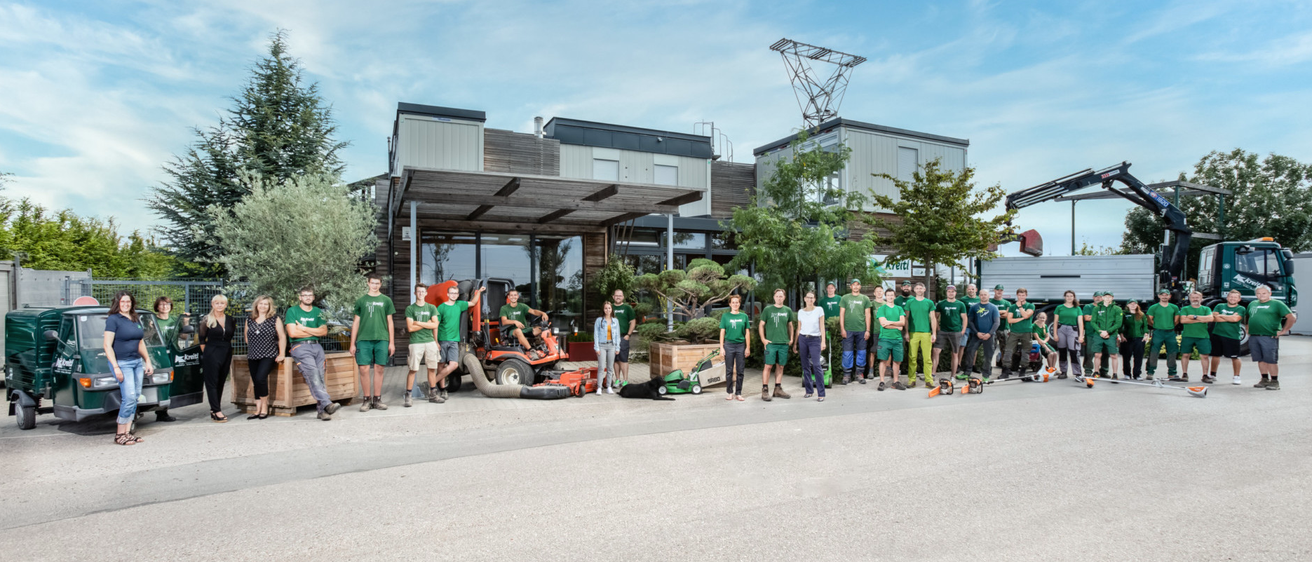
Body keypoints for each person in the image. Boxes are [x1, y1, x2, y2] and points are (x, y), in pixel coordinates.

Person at [103, 291, 154, 445]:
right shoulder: (113, 319)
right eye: (123, 301)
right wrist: (116, 367)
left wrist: (148, 360)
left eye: (128, 301)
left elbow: (140, 342)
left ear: (132, 303)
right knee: (129, 397)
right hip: (122, 363)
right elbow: (107, 345)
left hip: (137, 362)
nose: (126, 304)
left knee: (135, 396)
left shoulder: (134, 318)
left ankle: (127, 432)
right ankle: (119, 434)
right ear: (117, 303)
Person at [285, 288, 342, 421]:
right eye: (304, 295)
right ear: (300, 297)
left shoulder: (317, 311)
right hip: (300, 347)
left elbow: (323, 332)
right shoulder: (292, 311)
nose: (307, 297)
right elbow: (293, 333)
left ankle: (322, 412)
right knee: (313, 374)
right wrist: (314, 331)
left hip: (317, 346)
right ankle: (327, 403)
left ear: (313, 297)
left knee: (320, 376)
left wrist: (303, 328)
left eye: (310, 295)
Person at [351, 274, 396, 412]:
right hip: (364, 339)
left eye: (377, 283)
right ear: (368, 283)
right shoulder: (361, 301)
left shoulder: (386, 300)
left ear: (381, 284)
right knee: (363, 369)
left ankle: (377, 399)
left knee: (379, 368)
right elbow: (356, 322)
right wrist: (352, 343)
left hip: (382, 338)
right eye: (372, 283)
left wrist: (392, 342)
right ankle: (366, 399)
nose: (375, 285)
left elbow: (390, 322)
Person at [434, 284, 486, 400]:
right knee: (441, 365)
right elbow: (435, 325)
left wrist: (479, 292)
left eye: (456, 293)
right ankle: (442, 390)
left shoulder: (459, 305)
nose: (453, 295)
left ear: (458, 295)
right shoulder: (441, 307)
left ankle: (432, 384)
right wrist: (436, 341)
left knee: (454, 365)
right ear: (448, 294)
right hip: (442, 340)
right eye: (451, 293)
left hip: (454, 341)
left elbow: (472, 303)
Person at [1247, 285, 1296, 391]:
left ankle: (1274, 381)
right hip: (1254, 336)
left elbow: (1291, 317)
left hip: (1269, 336)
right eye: (1259, 293)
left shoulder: (1277, 304)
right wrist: (1248, 328)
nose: (1261, 295)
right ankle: (1264, 379)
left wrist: (1283, 330)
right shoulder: (1252, 304)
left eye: (1264, 293)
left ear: (1270, 293)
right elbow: (1248, 317)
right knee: (1260, 359)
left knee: (1271, 360)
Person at [244, 295, 286, 419]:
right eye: (261, 304)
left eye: (266, 304)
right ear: (256, 305)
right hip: (253, 354)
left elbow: (282, 336)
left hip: (268, 354)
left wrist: (282, 353)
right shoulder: (250, 319)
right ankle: (257, 409)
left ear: (269, 306)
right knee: (256, 381)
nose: (263, 306)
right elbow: (246, 337)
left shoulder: (274, 319)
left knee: (260, 378)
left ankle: (264, 406)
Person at [199, 294, 236, 423]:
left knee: (221, 381)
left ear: (225, 305)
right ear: (212, 304)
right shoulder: (206, 320)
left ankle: (214, 408)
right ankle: (217, 410)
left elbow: (231, 336)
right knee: (212, 382)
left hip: (226, 351)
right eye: (217, 303)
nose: (219, 305)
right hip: (211, 352)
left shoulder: (231, 319)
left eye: (222, 303)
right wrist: (208, 355)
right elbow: (202, 340)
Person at [404, 284, 441, 407]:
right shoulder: (410, 308)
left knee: (432, 368)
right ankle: (408, 396)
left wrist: (418, 322)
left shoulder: (431, 307)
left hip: (430, 341)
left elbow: (435, 325)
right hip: (416, 343)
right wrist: (427, 323)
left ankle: (433, 394)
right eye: (418, 291)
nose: (420, 293)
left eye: (423, 291)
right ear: (415, 293)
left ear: (426, 293)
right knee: (413, 369)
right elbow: (410, 328)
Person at [150, 296, 183, 422]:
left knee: (172, 380)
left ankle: (167, 407)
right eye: (162, 304)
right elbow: (147, 338)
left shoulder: (175, 320)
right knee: (161, 381)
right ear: (157, 307)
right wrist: (151, 328)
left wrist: (185, 323)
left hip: (174, 353)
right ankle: (161, 412)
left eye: (167, 304)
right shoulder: (152, 320)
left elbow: (184, 338)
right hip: (158, 355)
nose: (165, 307)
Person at [759, 288, 794, 401]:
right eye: (777, 296)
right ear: (774, 297)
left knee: (781, 366)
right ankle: (765, 390)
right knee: (768, 366)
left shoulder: (787, 310)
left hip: (783, 343)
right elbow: (761, 325)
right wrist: (763, 339)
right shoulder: (768, 310)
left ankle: (777, 389)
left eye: (781, 296)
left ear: (784, 297)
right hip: (771, 343)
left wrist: (791, 339)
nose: (779, 298)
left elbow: (790, 326)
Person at [1208, 289, 1246, 385]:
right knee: (1216, 355)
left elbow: (1235, 319)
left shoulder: (1241, 309)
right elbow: (1215, 318)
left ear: (1239, 299)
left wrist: (1222, 315)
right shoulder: (1219, 306)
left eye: (1235, 297)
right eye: (1231, 297)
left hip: (1232, 336)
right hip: (1217, 334)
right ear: (1227, 297)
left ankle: (1236, 376)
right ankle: (1212, 374)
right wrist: (1229, 317)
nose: (1232, 299)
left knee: (1235, 357)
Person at [838, 279, 872, 385]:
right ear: (851, 287)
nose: (856, 287)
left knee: (862, 352)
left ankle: (859, 374)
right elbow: (842, 314)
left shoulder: (865, 298)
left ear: (860, 287)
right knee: (847, 353)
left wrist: (867, 330)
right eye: (854, 285)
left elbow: (868, 315)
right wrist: (842, 329)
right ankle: (847, 375)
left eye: (858, 285)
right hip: (848, 330)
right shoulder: (845, 298)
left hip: (861, 330)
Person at [903, 282, 936, 388]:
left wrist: (934, 333)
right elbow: (906, 318)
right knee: (912, 357)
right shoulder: (910, 302)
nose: (919, 290)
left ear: (924, 289)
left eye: (921, 288)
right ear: (914, 290)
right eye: (917, 288)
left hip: (926, 333)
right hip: (913, 333)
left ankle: (929, 380)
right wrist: (906, 332)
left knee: (927, 359)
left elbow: (933, 318)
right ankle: (912, 380)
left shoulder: (929, 302)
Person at [500, 289, 550, 360]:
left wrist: (543, 313)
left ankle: (545, 349)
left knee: (542, 329)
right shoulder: (504, 308)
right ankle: (531, 350)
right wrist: (515, 322)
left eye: (515, 295)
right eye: (511, 295)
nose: (513, 297)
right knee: (518, 331)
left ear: (517, 296)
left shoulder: (522, 306)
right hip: (512, 331)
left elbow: (533, 311)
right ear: (508, 297)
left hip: (524, 329)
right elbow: (504, 321)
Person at [962, 290, 1000, 381]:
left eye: (985, 295)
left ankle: (986, 375)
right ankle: (967, 373)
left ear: (988, 296)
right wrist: (976, 332)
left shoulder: (993, 308)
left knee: (988, 355)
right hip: (976, 335)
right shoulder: (974, 307)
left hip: (989, 336)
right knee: (970, 352)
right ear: (979, 296)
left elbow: (997, 322)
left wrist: (989, 334)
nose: (983, 296)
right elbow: (970, 321)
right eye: (982, 295)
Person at [718, 294, 751, 401]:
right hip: (729, 345)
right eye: (733, 302)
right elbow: (722, 332)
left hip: (741, 345)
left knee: (740, 370)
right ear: (730, 304)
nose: (735, 304)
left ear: (739, 304)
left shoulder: (744, 316)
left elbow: (747, 333)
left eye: (737, 302)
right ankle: (730, 392)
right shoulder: (725, 316)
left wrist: (747, 347)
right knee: (729, 370)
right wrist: (721, 347)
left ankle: (738, 393)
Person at [1143, 289, 1181, 381]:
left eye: (1166, 295)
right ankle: (1150, 372)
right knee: (1154, 352)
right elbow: (1149, 319)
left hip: (1170, 332)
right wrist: (1157, 326)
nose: (1164, 296)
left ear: (1169, 296)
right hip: (1158, 332)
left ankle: (1172, 373)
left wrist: (1169, 326)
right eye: (1162, 295)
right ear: (1159, 296)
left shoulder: (1174, 307)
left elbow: (1176, 320)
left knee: (1172, 352)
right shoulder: (1153, 307)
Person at [796, 290, 827, 402]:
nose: (810, 299)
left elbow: (822, 326)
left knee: (817, 365)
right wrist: (795, 343)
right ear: (804, 299)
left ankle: (821, 393)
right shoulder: (800, 312)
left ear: (814, 299)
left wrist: (823, 341)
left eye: (812, 298)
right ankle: (809, 391)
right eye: (808, 297)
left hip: (815, 339)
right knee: (805, 365)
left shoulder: (819, 310)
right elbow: (799, 328)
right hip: (803, 338)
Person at [873, 290, 906, 391]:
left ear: (895, 297)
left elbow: (903, 323)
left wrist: (889, 323)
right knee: (883, 360)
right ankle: (882, 381)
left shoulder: (899, 308)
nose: (890, 297)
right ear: (885, 296)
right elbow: (883, 324)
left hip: (897, 339)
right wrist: (897, 326)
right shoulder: (882, 309)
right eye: (888, 295)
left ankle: (895, 382)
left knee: (897, 361)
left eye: (892, 295)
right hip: (885, 338)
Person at [1177, 291, 1213, 382]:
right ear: (1190, 299)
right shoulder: (1185, 309)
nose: (1195, 299)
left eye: (1197, 297)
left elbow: (1210, 319)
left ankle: (1205, 375)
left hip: (1203, 335)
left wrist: (1194, 317)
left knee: (1205, 356)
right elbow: (1183, 321)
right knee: (1185, 354)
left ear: (1201, 299)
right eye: (1193, 297)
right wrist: (1202, 319)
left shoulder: (1206, 309)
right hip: (1188, 335)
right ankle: (1184, 374)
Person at [1000, 288, 1035, 380]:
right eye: (1019, 295)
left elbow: (1026, 315)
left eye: (1023, 295)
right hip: (1014, 331)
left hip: (1026, 331)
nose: (1021, 297)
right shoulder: (1012, 307)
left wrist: (1020, 307)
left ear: (1026, 295)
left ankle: (1023, 370)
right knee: (1008, 350)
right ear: (1017, 295)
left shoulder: (1030, 305)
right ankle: (1005, 370)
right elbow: (1009, 320)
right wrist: (1022, 318)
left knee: (1025, 351)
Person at [933, 285, 967, 380]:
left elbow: (964, 318)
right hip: (943, 331)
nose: (951, 293)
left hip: (956, 331)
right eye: (949, 291)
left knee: (955, 354)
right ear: (946, 293)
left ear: (955, 293)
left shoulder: (960, 304)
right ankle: (933, 374)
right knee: (936, 351)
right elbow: (935, 317)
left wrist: (963, 330)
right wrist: (937, 327)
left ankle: (953, 376)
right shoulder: (941, 304)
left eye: (952, 291)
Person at [1089, 291, 1123, 380]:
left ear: (1112, 298)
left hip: (1111, 335)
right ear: (1103, 298)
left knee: (1113, 355)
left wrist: (1108, 332)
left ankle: (1115, 374)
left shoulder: (1117, 309)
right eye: (1106, 297)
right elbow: (1093, 322)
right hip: (1098, 334)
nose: (1107, 298)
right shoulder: (1097, 308)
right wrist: (1100, 331)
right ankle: (1096, 372)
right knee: (1097, 354)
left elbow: (1118, 323)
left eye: (1109, 297)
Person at [1052, 290, 1084, 379]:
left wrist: (1081, 335)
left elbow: (1080, 323)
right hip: (1061, 329)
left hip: (1072, 330)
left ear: (1074, 297)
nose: (1069, 297)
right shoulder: (1059, 307)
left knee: (1074, 351)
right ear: (1064, 297)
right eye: (1067, 296)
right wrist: (1055, 334)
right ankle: (1063, 371)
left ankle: (1077, 372)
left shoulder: (1077, 308)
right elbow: (1055, 322)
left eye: (1071, 296)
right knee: (1062, 351)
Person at [593, 301, 621, 395]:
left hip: (612, 345)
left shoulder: (615, 321)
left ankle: (609, 386)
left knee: (610, 367)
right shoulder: (599, 320)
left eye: (609, 308)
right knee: (601, 367)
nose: (607, 310)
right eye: (606, 308)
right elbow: (596, 334)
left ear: (611, 309)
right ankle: (599, 387)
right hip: (602, 345)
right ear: (603, 309)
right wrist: (596, 347)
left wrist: (617, 347)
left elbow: (617, 335)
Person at [611, 290, 637, 387]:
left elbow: (633, 321)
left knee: (623, 359)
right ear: (613, 297)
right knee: (615, 359)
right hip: (612, 338)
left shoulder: (627, 308)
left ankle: (625, 380)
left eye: (620, 296)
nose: (618, 297)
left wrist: (628, 334)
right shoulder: (610, 307)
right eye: (616, 295)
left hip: (623, 336)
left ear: (623, 297)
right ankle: (617, 379)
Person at [1118, 300, 1147, 380]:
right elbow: (1121, 325)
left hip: (1139, 338)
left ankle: (1137, 374)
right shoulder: (1124, 314)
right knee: (1126, 356)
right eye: (1131, 304)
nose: (1133, 305)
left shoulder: (1141, 314)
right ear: (1128, 305)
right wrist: (1121, 335)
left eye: (1135, 304)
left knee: (1138, 356)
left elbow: (1145, 326)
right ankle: (1127, 373)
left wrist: (1145, 334)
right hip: (1127, 337)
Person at [991, 285, 1014, 373]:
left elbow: (1007, 315)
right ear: (994, 290)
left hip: (1004, 328)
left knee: (1005, 349)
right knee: (991, 348)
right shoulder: (990, 302)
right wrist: (1002, 312)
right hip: (993, 329)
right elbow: (990, 314)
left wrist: (996, 313)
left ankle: (1006, 367)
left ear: (1003, 292)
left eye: (1001, 290)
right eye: (997, 290)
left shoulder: (1007, 303)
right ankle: (988, 367)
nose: (999, 292)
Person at [957, 284, 980, 373]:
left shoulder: (979, 299)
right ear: (967, 290)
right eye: (969, 289)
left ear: (976, 290)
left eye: (973, 289)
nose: (971, 290)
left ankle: (972, 365)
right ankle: (958, 365)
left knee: (975, 347)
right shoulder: (963, 300)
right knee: (962, 345)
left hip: (976, 326)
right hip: (965, 326)